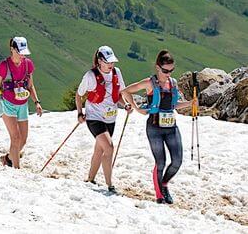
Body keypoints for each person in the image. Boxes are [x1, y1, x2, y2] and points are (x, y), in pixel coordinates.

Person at [121, 50, 194, 204]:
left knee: (177, 161)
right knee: (160, 162)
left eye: (171, 70)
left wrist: (190, 103)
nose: (168, 74)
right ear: (157, 67)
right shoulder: (149, 83)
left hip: (171, 127)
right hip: (154, 128)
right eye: (165, 70)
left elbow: (173, 105)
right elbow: (126, 91)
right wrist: (136, 107)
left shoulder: (173, 83)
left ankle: (165, 184)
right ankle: (159, 195)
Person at [75, 46, 132, 193]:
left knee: (99, 150)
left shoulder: (116, 73)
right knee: (109, 147)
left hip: (111, 117)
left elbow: (118, 94)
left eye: (112, 62)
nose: (111, 65)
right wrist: (80, 113)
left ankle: (90, 179)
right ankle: (110, 185)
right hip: (94, 117)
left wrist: (125, 104)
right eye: (108, 62)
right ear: (100, 61)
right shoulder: (90, 76)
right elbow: (79, 94)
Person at [0, 37, 42, 169]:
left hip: (23, 104)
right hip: (8, 104)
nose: (22, 55)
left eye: (23, 52)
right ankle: (17, 169)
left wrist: (37, 102)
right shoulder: (4, 66)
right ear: (12, 49)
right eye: (19, 51)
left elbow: (30, 86)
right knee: (15, 138)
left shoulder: (28, 64)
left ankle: (7, 158)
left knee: (23, 140)